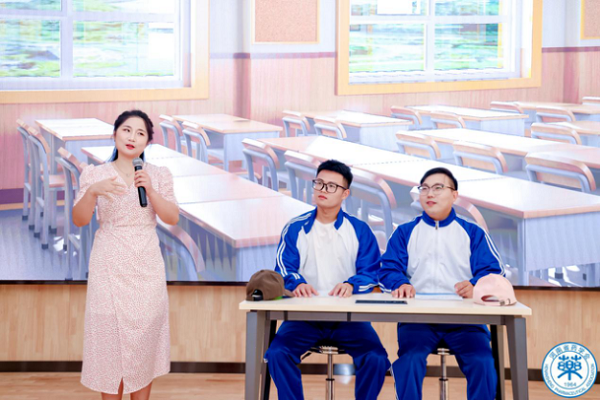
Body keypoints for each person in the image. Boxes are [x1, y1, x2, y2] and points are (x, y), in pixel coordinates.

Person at [72, 110, 179, 400]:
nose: (132, 137)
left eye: (140, 133)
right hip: (108, 262)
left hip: (146, 265)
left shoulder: (158, 174)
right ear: (115, 134)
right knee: (109, 341)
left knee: (143, 340)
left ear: (148, 142)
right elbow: (79, 220)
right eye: (127, 130)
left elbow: (172, 217)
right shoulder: (95, 174)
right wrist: (92, 192)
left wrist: (151, 191)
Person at [264, 160, 390, 400]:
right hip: (304, 317)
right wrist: (298, 283)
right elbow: (283, 267)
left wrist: (351, 284)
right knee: (277, 354)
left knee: (376, 358)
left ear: (345, 193)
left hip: (349, 318)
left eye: (331, 186)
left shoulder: (359, 230)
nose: (323, 189)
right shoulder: (295, 227)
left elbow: (372, 271)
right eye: (319, 183)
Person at [379, 167, 504, 400]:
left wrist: (476, 285)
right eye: (424, 188)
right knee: (410, 360)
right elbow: (388, 269)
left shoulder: (473, 233)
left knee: (483, 362)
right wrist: (400, 283)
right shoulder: (405, 232)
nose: (429, 194)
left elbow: (493, 272)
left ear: (454, 195)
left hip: (466, 321)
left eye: (438, 188)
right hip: (418, 320)